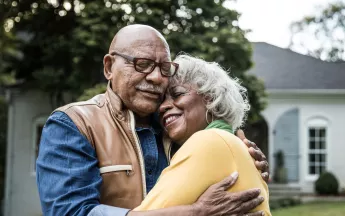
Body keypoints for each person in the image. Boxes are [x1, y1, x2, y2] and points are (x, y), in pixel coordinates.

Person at [36, 24, 269, 216]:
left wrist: (245, 162)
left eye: (164, 68)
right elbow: (69, 212)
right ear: (109, 67)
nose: (157, 78)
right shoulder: (74, 123)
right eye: (143, 64)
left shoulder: (179, 130)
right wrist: (194, 213)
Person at [131, 55, 271, 215]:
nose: (162, 107)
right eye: (161, 100)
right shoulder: (231, 144)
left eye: (177, 94)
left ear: (210, 98)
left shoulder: (209, 141)